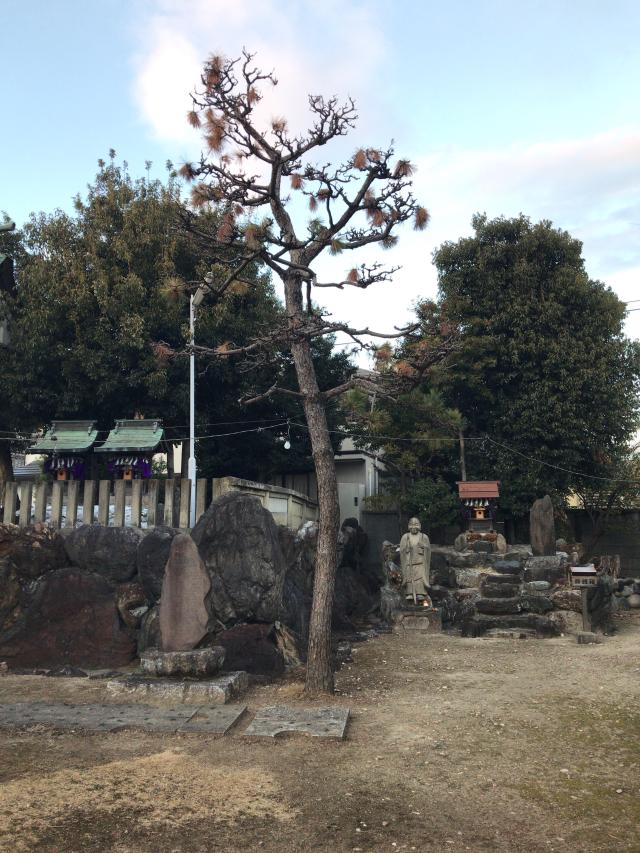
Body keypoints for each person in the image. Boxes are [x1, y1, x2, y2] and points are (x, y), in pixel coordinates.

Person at [399, 517, 432, 605]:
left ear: (420, 526)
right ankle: (409, 593)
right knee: (410, 577)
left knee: (420, 577)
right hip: (409, 563)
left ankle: (420, 593)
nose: (414, 527)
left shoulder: (423, 537)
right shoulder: (405, 537)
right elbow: (401, 550)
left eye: (416, 524)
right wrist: (406, 549)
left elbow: (428, 550)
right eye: (412, 525)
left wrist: (423, 547)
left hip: (420, 563)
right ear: (409, 526)